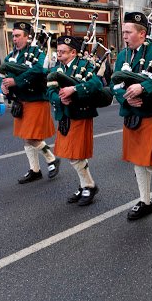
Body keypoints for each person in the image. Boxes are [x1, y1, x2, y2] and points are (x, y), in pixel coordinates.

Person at [112, 12, 152, 220]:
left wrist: (143, 87)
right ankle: (145, 201)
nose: (125, 36)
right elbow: (115, 84)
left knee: (149, 161)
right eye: (123, 32)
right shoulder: (123, 55)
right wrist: (125, 98)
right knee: (137, 160)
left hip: (151, 113)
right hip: (132, 113)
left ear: (142, 33)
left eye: (128, 32)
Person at [1, 22, 60, 184]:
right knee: (26, 137)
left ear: (27, 37)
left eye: (18, 35)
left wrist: (16, 81)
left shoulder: (36, 52)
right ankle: (35, 170)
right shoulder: (11, 56)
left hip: (35, 100)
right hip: (21, 102)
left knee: (31, 137)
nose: (15, 39)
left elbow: (39, 70)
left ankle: (51, 159)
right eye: (13, 35)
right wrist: (4, 85)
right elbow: (3, 72)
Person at [46, 36, 102, 206]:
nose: (59, 55)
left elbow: (96, 85)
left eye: (63, 52)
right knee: (73, 155)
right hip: (64, 115)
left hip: (80, 114)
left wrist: (74, 89)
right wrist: (59, 99)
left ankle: (89, 186)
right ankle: (84, 184)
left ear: (73, 52)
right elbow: (49, 92)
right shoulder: (57, 69)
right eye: (58, 51)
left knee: (75, 155)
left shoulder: (85, 66)